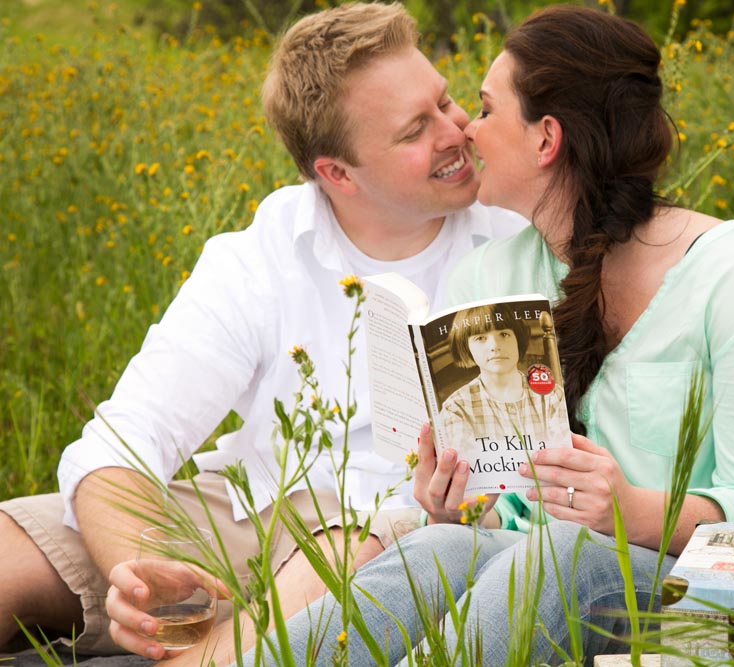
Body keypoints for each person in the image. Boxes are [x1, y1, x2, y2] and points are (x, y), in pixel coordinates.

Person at [251, 5, 734, 666]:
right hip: (533, 586)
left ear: (546, 139)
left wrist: (632, 510)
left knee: (560, 558)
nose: (467, 127)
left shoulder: (732, 274)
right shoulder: (489, 277)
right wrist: (450, 501)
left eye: (486, 110)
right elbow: (498, 518)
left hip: (700, 614)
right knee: (433, 550)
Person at [0, 2, 525, 662]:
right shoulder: (262, 253)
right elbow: (123, 440)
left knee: (347, 546)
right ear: (337, 173)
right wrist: (140, 568)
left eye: (446, 101)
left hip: (391, 528)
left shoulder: (516, 236)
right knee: (9, 547)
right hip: (252, 510)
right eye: (416, 129)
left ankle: (212, 655)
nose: (456, 130)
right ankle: (210, 633)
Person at [439, 303, 572, 459]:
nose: (495, 346)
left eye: (504, 334)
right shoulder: (456, 407)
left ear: (518, 339)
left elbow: (564, 455)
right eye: (481, 338)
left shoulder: (551, 396)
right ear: (466, 347)